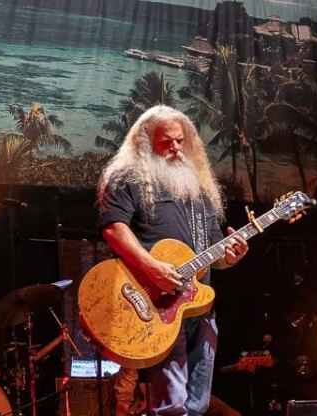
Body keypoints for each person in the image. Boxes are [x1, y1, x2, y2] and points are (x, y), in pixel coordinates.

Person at [97, 105, 247, 416]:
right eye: (166, 142)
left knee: (198, 404)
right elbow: (113, 228)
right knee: (172, 405)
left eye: (180, 140)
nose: (176, 148)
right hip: (157, 304)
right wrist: (152, 267)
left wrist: (231, 256)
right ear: (145, 143)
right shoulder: (127, 177)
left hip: (200, 305)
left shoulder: (199, 187)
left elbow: (214, 255)